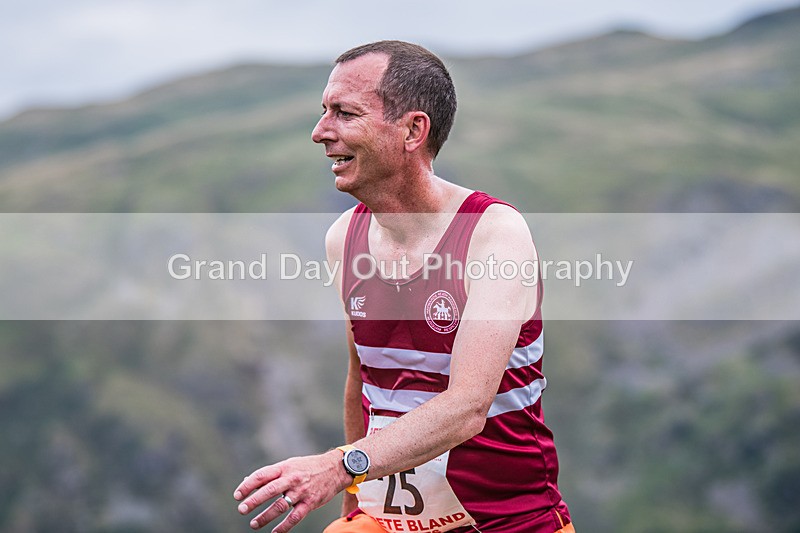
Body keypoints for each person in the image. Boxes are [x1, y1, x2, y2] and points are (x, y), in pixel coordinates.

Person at [234, 40, 574, 533]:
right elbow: (363, 380)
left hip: (510, 523)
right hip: (389, 524)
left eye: (344, 113)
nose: (319, 132)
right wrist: (357, 505)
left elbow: (467, 408)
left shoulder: (494, 233)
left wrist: (338, 466)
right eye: (323, 112)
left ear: (414, 130)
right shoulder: (342, 239)